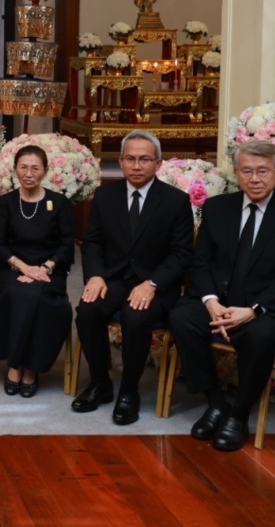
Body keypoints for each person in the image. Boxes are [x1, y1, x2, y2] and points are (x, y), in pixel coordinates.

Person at [170, 140, 275, 451]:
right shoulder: (217, 208)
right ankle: (215, 403)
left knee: (262, 335)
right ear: (237, 173)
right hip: (220, 302)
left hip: (267, 309)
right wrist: (211, 302)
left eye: (263, 171)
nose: (255, 178)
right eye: (247, 171)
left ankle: (238, 414)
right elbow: (200, 263)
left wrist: (252, 310)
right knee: (182, 316)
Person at [72, 130, 194, 425]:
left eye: (144, 159)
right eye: (130, 159)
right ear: (121, 162)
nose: (137, 166)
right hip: (113, 278)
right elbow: (93, 243)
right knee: (88, 312)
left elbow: (181, 254)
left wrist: (153, 284)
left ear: (158, 163)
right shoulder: (105, 195)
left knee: (135, 316)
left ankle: (129, 391)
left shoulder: (176, 201)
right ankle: (100, 383)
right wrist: (96, 276)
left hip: (155, 284)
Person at [0, 145, 75, 397]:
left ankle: (29, 368)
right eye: (23, 167)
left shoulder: (59, 203)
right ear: (15, 170)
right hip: (13, 268)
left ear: (45, 171)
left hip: (50, 271)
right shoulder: (6, 203)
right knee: (19, 294)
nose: (29, 173)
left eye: (35, 168)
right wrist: (24, 268)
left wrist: (43, 268)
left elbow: (67, 245)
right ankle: (17, 364)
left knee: (39, 296)